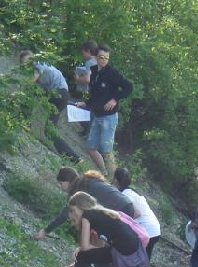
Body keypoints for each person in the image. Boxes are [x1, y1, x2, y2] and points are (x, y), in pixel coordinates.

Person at [35, 168, 135, 267]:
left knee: (93, 247)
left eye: (61, 183)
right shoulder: (86, 181)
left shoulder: (80, 190)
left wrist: (45, 231)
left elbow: (66, 214)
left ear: (67, 181)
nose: (60, 187)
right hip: (125, 206)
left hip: (120, 209)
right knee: (95, 246)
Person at [75, 45, 133, 176]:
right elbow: (95, 94)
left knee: (107, 151)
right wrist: (86, 103)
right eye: (101, 57)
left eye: (106, 58)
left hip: (109, 118)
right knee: (90, 148)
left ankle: (116, 181)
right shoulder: (94, 70)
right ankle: (104, 173)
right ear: (96, 57)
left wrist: (115, 99)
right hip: (97, 116)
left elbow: (128, 87)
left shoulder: (112, 73)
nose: (104, 60)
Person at [19, 50, 80, 163]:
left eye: (27, 61)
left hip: (59, 93)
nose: (26, 64)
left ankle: (24, 122)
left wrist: (20, 90)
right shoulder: (41, 68)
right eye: (23, 63)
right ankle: (74, 158)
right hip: (63, 97)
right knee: (50, 130)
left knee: (31, 89)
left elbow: (32, 81)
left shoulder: (38, 63)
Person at [113, 168, 161, 267]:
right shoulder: (132, 191)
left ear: (116, 181)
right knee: (143, 264)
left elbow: (136, 213)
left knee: (141, 265)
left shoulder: (126, 195)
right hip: (154, 229)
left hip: (148, 231)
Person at [73, 41, 98, 136]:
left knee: (88, 110)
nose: (83, 55)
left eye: (83, 53)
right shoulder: (98, 60)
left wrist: (78, 79)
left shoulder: (90, 62)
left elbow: (88, 79)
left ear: (88, 51)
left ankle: (89, 133)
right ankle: (88, 132)